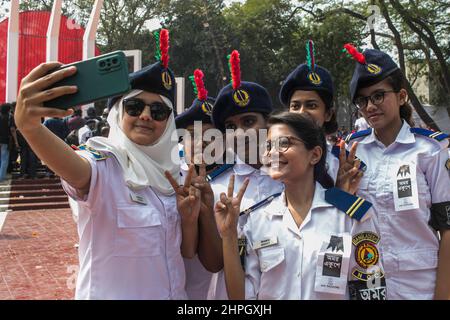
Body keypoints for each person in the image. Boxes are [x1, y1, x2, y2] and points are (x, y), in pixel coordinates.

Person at [14, 29, 197, 300]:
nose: (146, 116)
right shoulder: (103, 166)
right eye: (134, 107)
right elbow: (74, 168)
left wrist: (190, 220)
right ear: (117, 113)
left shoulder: (179, 176)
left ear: (168, 122)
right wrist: (29, 127)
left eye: (158, 111)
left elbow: (183, 253)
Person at [217, 112, 385, 300]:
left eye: (284, 143)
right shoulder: (257, 219)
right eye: (269, 145)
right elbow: (241, 298)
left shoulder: (351, 216)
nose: (272, 152)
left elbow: (371, 290)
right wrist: (228, 235)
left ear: (314, 155)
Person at [343, 44, 450, 300]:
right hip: (366, 284)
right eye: (363, 100)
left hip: (419, 287)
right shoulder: (351, 151)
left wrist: (443, 294)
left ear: (402, 96)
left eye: (378, 95)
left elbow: (448, 228)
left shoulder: (431, 151)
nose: (370, 106)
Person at [206, 50, 284, 300]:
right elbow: (213, 260)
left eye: (249, 122)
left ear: (268, 123)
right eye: (230, 127)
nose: (240, 133)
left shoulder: (294, 177)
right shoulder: (216, 187)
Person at [279, 40, 363, 184]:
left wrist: (340, 192)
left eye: (311, 105)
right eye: (295, 106)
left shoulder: (345, 163)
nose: (301, 112)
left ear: (328, 114)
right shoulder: (275, 161)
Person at [174, 68, 220, 300]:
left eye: (212, 136)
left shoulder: (240, 181)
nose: (202, 142)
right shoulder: (168, 179)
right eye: (192, 134)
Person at [0, 103, 19, 182]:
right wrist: (16, 141)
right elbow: (12, 130)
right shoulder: (10, 117)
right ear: (8, 110)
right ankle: (1, 177)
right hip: (5, 140)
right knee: (4, 159)